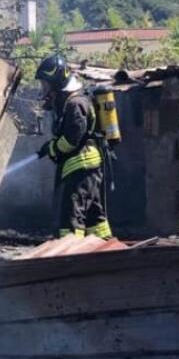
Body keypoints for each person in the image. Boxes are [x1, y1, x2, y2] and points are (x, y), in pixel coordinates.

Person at [35, 54, 112, 240]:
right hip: (86, 168)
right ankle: (103, 248)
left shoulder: (75, 104)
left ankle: (70, 252)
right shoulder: (68, 101)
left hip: (81, 166)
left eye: (46, 84)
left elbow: (72, 138)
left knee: (71, 216)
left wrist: (52, 148)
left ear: (57, 81)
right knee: (95, 216)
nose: (43, 88)